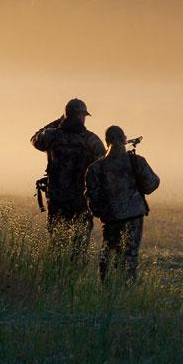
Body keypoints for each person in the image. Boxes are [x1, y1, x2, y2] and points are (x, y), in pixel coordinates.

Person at [85, 125, 159, 283]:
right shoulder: (136, 161)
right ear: (124, 141)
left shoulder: (95, 168)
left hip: (111, 220)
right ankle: (126, 293)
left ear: (106, 142)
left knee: (108, 256)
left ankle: (107, 291)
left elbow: (93, 200)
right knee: (129, 258)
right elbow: (151, 185)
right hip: (134, 218)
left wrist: (104, 213)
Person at [31, 99, 106, 251]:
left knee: (57, 242)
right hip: (81, 200)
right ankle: (75, 271)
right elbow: (102, 166)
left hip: (57, 198)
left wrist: (59, 121)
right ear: (81, 116)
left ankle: (57, 271)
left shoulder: (52, 136)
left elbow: (35, 139)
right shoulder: (91, 139)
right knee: (80, 243)